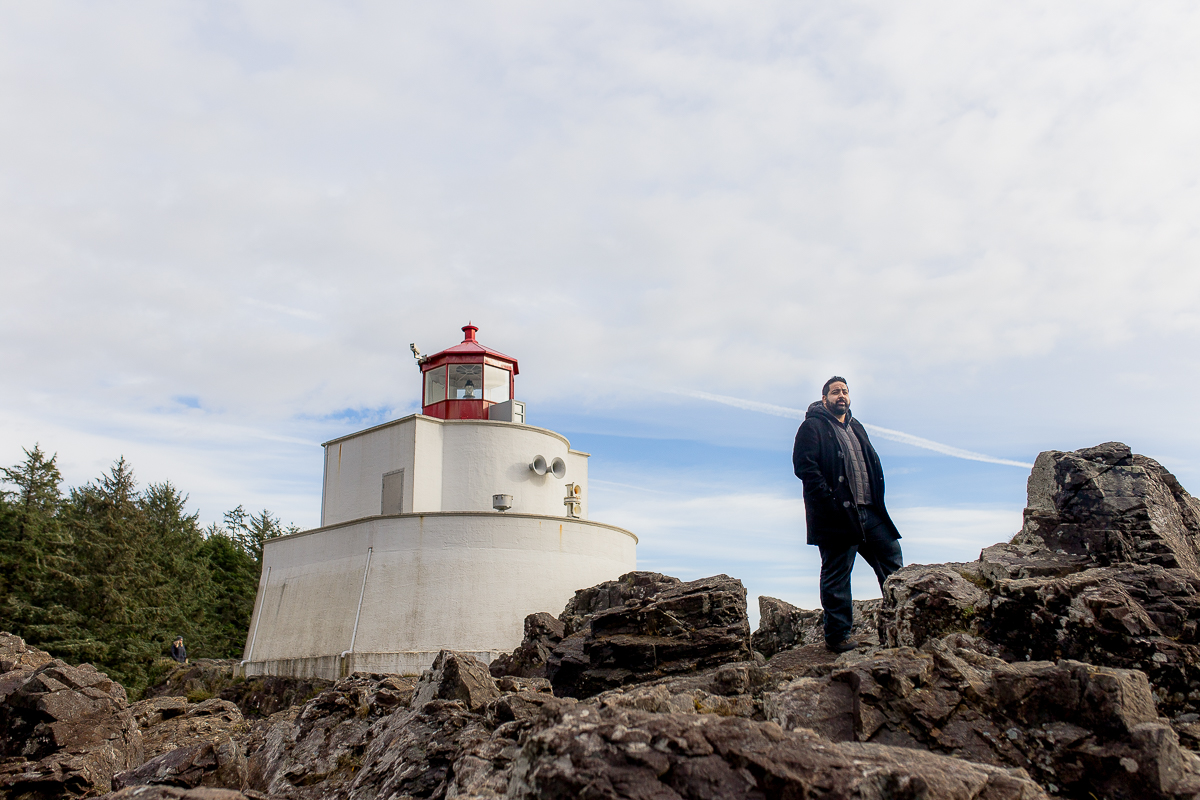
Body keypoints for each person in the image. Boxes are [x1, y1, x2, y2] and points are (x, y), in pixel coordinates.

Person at [792, 376, 903, 653]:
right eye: (835, 392)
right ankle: (838, 636)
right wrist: (829, 501)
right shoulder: (812, 427)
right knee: (837, 576)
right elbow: (804, 467)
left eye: (844, 391)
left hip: (870, 512)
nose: (841, 395)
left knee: (893, 565)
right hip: (837, 516)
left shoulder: (857, 427)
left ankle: (903, 621)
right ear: (825, 398)